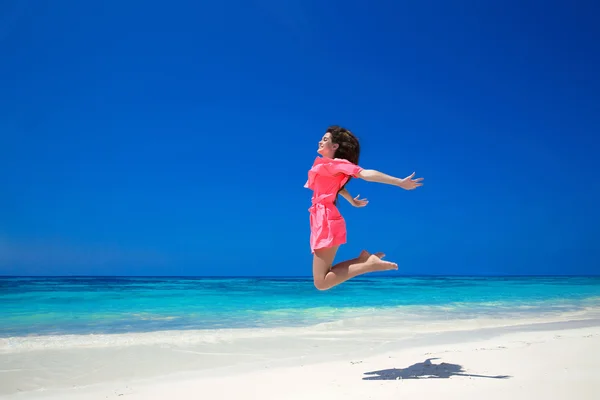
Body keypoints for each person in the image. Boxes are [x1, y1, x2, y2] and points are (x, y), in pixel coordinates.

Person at [304, 125, 423, 291]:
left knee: (321, 282)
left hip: (326, 219)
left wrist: (399, 182)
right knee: (321, 280)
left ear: (335, 146)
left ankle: (368, 264)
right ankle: (365, 262)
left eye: (325, 139)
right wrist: (351, 200)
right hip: (321, 217)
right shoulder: (329, 166)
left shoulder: (339, 164)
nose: (320, 141)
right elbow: (337, 186)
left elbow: (366, 173)